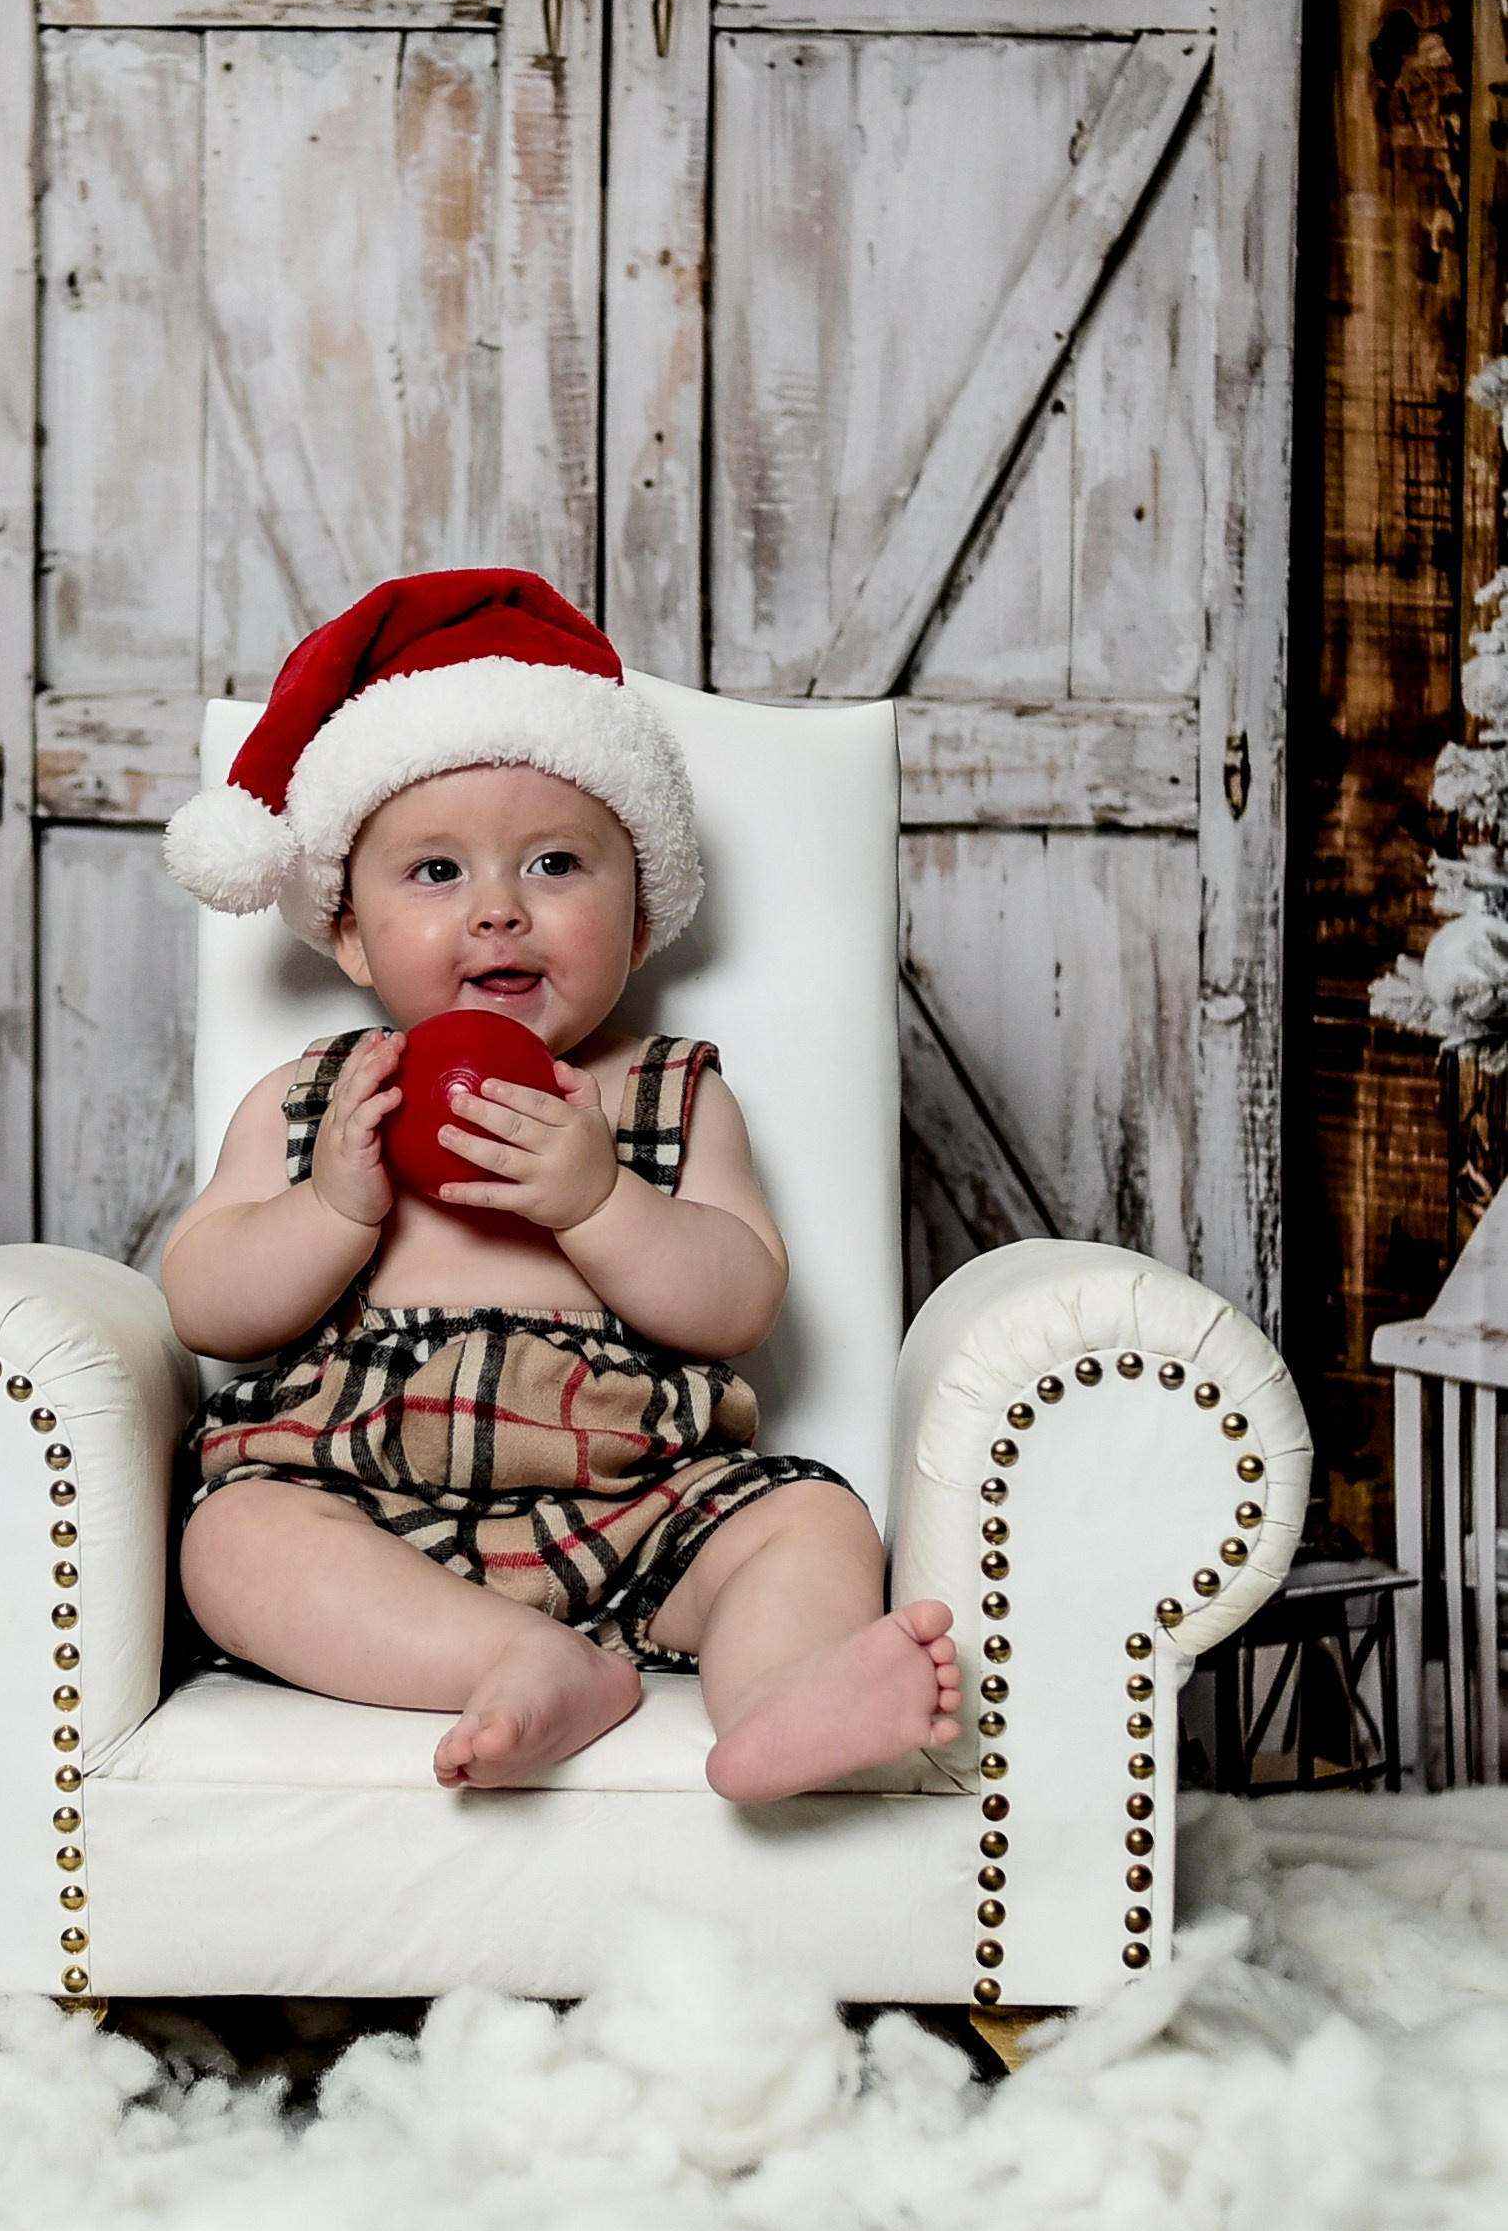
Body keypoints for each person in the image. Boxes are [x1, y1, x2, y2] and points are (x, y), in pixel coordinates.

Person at [159, 569, 960, 1798]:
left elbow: (740, 1300)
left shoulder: (665, 1093)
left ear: (641, 920)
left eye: (553, 865)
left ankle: (783, 1705)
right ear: (351, 935)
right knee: (232, 1537)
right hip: (367, 1500)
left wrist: (601, 1201)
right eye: (436, 873)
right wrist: (329, 1211)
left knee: (810, 1520)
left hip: (639, 1505)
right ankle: (519, 1659)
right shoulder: (319, 1097)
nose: (498, 914)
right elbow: (204, 1301)